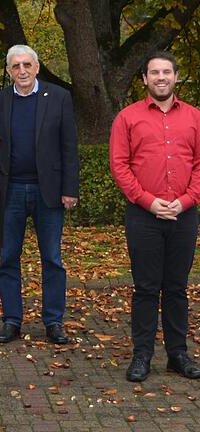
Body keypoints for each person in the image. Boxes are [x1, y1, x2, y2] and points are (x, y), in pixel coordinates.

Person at [110, 51, 200, 382]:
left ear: (176, 77)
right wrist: (148, 202)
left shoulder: (195, 118)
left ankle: (178, 354)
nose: (160, 77)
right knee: (146, 288)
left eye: (166, 72)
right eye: (154, 73)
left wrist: (187, 200)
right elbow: (120, 165)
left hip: (184, 215)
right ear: (145, 79)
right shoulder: (127, 118)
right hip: (143, 216)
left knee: (176, 287)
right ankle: (142, 355)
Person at [0, 45, 80, 345]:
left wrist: (70, 188)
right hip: (9, 190)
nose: (22, 71)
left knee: (52, 258)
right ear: (9, 70)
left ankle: (54, 322)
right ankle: (12, 320)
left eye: (27, 64)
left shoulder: (59, 98)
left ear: (37, 67)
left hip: (48, 191)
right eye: (16, 66)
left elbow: (69, 145)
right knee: (9, 258)